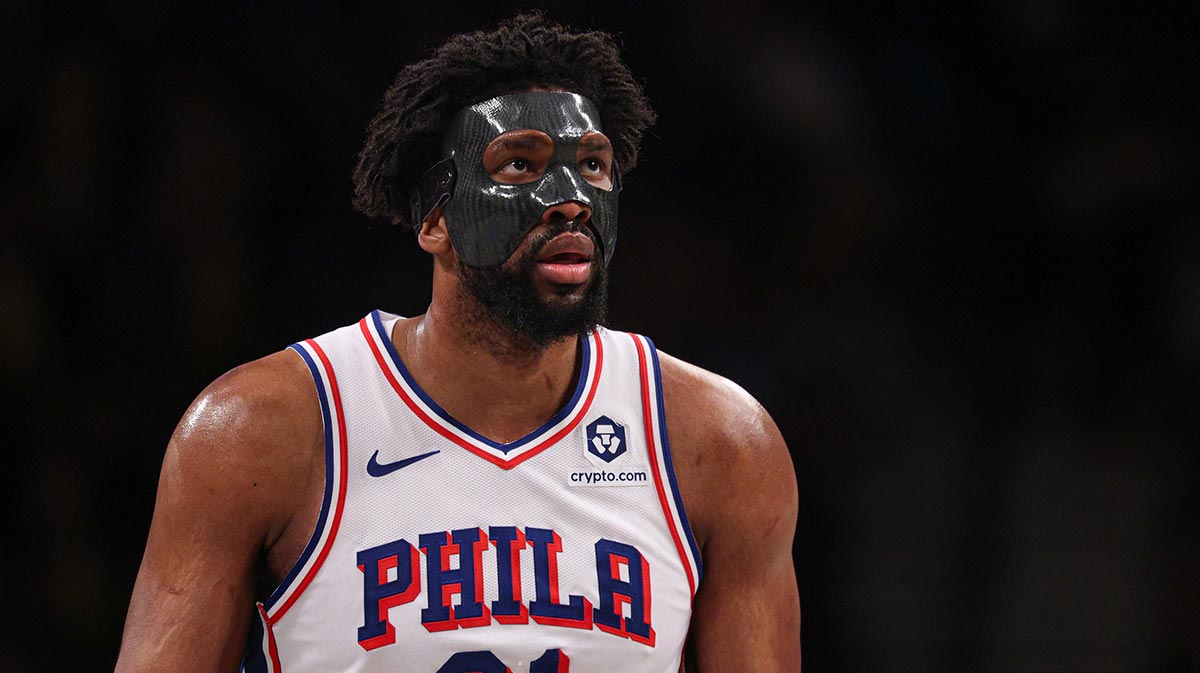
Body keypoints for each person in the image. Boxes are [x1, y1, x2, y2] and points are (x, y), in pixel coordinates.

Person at [115, 13, 799, 673]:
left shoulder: (719, 442)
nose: (571, 199)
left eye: (592, 165)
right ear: (436, 219)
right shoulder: (261, 431)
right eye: (518, 164)